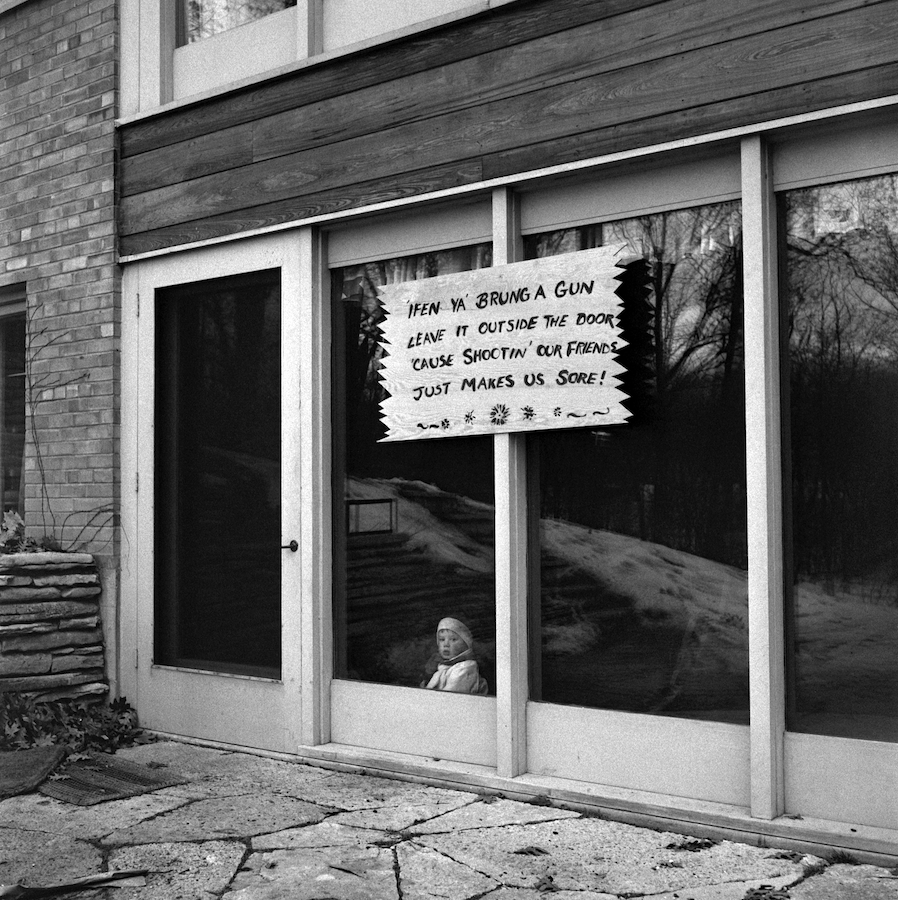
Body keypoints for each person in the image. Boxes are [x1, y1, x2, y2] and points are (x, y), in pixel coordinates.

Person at [421, 617, 488, 695]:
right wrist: (428, 676)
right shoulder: (442, 666)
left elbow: (449, 697)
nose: (446, 644)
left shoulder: (466, 668)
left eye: (453, 639)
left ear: (465, 644)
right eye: (442, 639)